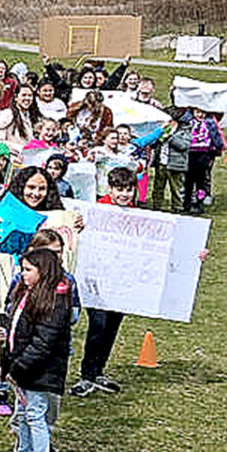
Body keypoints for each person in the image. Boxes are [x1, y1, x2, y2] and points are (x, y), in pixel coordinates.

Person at [0, 248, 71, 452]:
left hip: (39, 370)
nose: (23, 274)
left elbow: (43, 343)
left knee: (35, 414)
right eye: (23, 269)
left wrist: (18, 370)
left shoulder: (54, 301)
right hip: (24, 367)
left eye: (28, 269)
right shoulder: (27, 293)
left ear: (43, 271)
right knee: (24, 412)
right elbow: (21, 328)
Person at [75, 166, 139, 396]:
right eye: (119, 189)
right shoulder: (96, 210)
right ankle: (87, 375)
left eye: (129, 190)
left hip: (121, 281)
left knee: (112, 326)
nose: (124, 194)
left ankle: (99, 370)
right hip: (98, 281)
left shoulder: (138, 214)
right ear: (110, 188)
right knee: (98, 325)